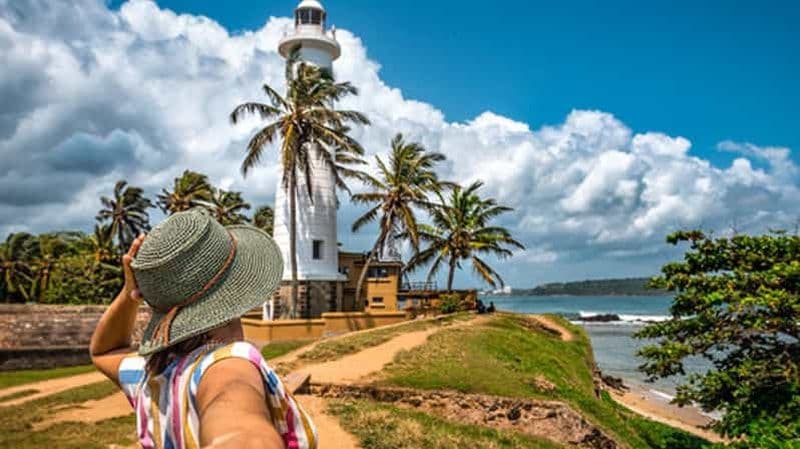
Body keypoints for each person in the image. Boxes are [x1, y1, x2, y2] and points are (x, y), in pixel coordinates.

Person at [90, 210, 316, 449]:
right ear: (238, 287)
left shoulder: (151, 376)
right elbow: (237, 421)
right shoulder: (230, 361)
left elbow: (104, 352)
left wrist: (129, 294)